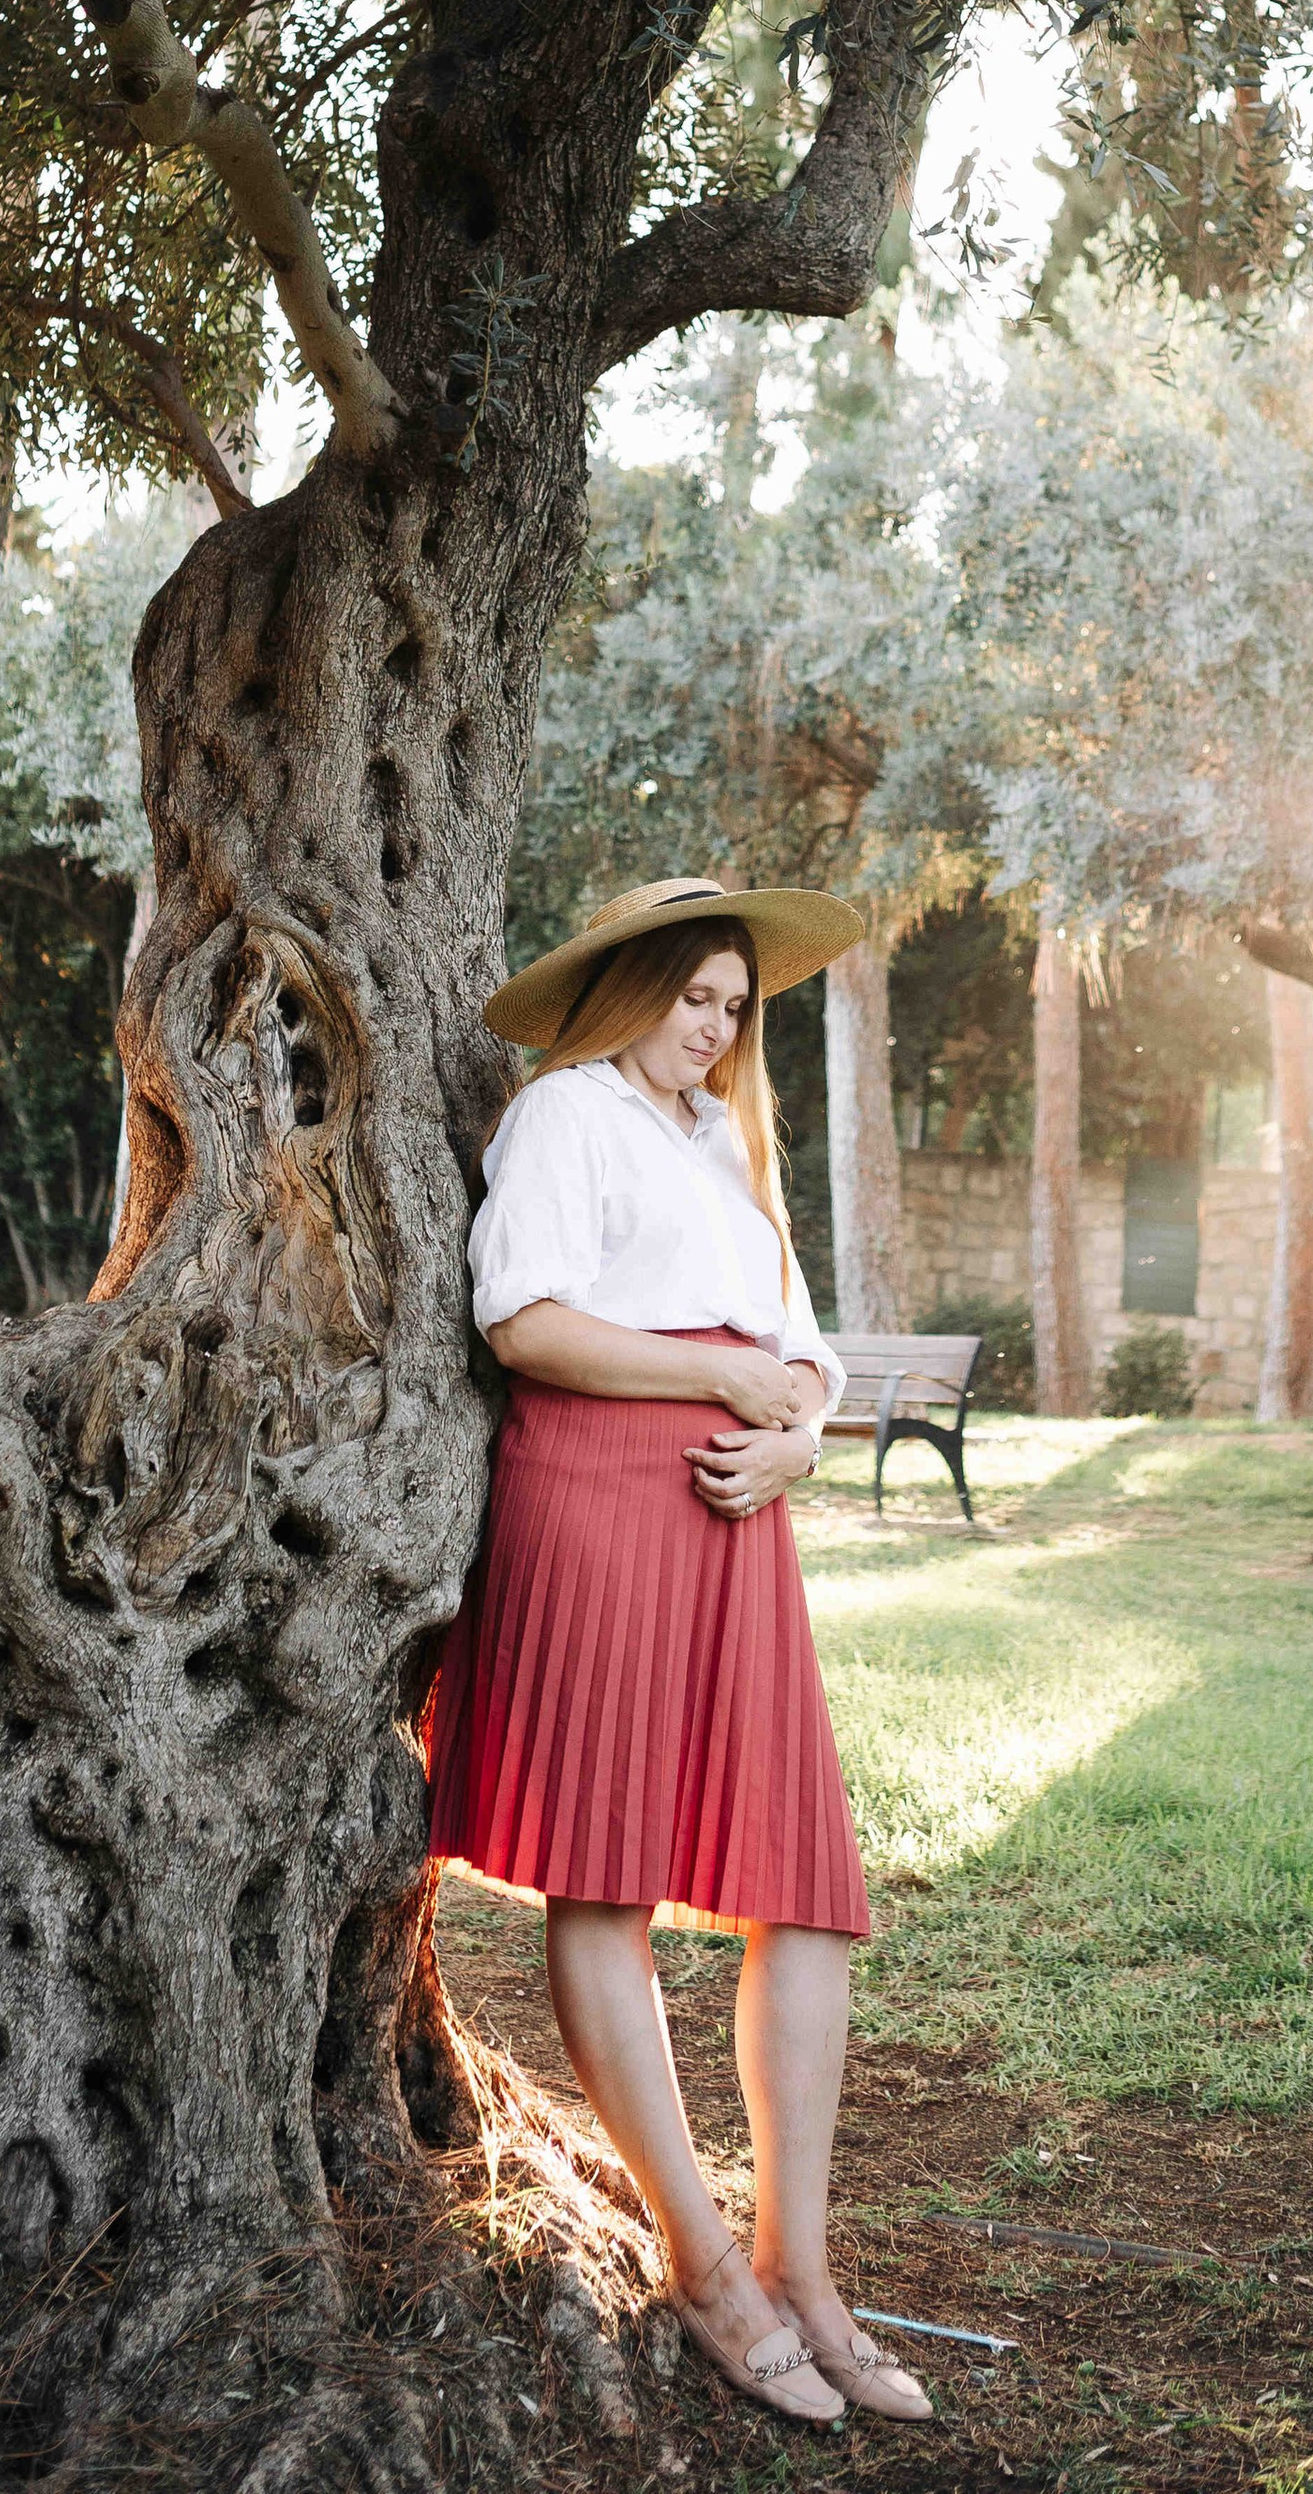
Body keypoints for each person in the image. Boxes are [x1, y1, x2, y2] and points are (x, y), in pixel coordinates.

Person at [427, 875, 933, 2432]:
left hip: (735, 1522)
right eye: (692, 995)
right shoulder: (565, 1114)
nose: (713, 1029)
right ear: (627, 985)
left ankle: (806, 2267)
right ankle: (704, 2263)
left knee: (808, 1894)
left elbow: (800, 1344)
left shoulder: (721, 1141)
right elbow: (524, 1322)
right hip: (595, 1500)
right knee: (609, 1878)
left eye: (733, 1007)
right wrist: (721, 1386)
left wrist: (794, 1432)